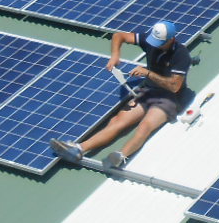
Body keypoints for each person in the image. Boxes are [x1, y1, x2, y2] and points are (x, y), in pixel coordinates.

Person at [51, 19, 191, 169]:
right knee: (118, 121)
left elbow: (174, 86)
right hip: (149, 91)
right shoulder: (149, 40)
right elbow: (119, 36)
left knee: (145, 126)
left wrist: (148, 73)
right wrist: (115, 55)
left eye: (160, 42)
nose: (154, 45)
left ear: (172, 39)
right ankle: (78, 149)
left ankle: (120, 156)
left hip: (169, 98)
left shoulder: (181, 55)